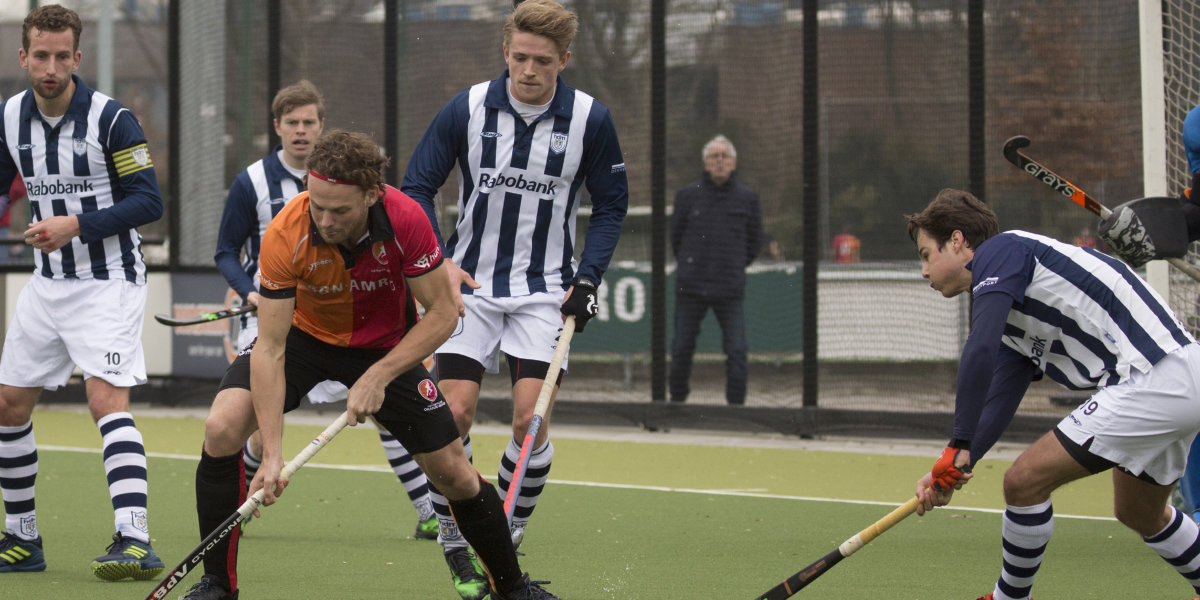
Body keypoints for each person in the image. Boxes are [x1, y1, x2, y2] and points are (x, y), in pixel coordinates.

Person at [179, 130, 557, 600]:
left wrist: (378, 375)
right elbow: (271, 349)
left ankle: (513, 589)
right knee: (221, 427)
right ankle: (218, 585)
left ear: (372, 195)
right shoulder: (285, 231)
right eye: (317, 205)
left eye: (339, 211)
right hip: (303, 338)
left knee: (454, 473)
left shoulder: (406, 218)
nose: (325, 220)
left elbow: (443, 315)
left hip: (385, 347)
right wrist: (272, 454)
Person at [401, 0, 628, 597]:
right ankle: (455, 535)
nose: (529, 70)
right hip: (468, 285)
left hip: (545, 291)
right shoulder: (468, 107)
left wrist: (588, 278)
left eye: (543, 61)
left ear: (564, 60)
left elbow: (611, 206)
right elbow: (417, 186)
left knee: (531, 420)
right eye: (520, 57)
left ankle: (505, 532)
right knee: (453, 414)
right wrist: (438, 262)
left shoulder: (591, 119)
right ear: (505, 51)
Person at [906, 188, 1200, 600]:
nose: (924, 272)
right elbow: (1000, 393)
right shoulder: (1007, 299)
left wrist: (957, 443)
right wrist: (957, 463)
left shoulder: (1001, 251)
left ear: (957, 241)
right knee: (1140, 512)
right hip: (1178, 381)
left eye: (926, 255)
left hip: (1153, 377)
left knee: (1023, 482)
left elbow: (980, 349)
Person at [213, 80, 436, 539]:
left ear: (321, 127)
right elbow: (226, 251)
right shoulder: (251, 182)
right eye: (292, 122)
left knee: (384, 410)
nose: (300, 130)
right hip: (285, 314)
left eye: (309, 122)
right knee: (254, 422)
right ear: (277, 127)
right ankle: (245, 498)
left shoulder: (364, 190)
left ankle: (428, 511)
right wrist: (249, 291)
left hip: (358, 322)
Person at [0, 5, 166, 580]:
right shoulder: (9, 117)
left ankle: (136, 540)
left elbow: (149, 201)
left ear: (77, 57)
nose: (50, 68)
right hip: (47, 284)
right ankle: (22, 539)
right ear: (23, 57)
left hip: (110, 281)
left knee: (104, 402)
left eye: (61, 56)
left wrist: (76, 224)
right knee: (8, 404)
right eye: (40, 56)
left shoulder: (113, 119)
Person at [668, 134, 763, 406]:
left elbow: (755, 242)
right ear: (705, 163)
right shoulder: (687, 196)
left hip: (729, 288)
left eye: (725, 156)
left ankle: (736, 409)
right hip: (691, 287)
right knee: (681, 348)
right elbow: (676, 238)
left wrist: (733, 265)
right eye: (714, 156)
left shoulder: (748, 198)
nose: (720, 161)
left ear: (734, 163)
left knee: (737, 350)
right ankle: (676, 403)